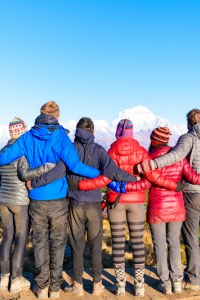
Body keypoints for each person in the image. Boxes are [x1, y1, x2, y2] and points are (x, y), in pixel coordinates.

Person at [0, 101, 100, 299]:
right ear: (57, 116)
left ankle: (41, 288)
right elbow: (75, 166)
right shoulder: (61, 138)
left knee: (40, 242)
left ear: (40, 115)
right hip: (58, 200)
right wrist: (98, 174)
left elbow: (4, 158)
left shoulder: (27, 138)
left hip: (36, 200)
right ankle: (55, 289)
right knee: (57, 243)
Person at [28, 117, 138, 296]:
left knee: (77, 245)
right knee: (95, 245)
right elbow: (113, 171)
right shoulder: (100, 151)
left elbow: (57, 172)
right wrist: (134, 178)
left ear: (77, 131)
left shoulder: (70, 149)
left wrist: (36, 182)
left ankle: (77, 285)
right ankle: (97, 285)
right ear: (93, 132)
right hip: (94, 204)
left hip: (75, 203)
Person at [78, 119, 184, 297]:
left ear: (118, 132)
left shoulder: (111, 152)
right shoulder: (141, 151)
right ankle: (139, 285)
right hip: (136, 203)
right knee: (137, 243)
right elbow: (150, 178)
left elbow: (105, 178)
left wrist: (82, 186)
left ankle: (120, 286)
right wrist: (173, 186)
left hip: (116, 202)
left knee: (118, 243)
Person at [136, 109, 200, 291]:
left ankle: (192, 280)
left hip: (191, 194)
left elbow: (175, 157)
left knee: (190, 237)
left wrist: (152, 164)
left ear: (188, 122)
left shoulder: (187, 138)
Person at [0, 117, 56, 294]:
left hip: (3, 200)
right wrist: (45, 168)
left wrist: (2, 194)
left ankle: (3, 278)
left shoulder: (2, 151)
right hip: (20, 201)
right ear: (22, 132)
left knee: (7, 238)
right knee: (20, 240)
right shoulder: (22, 150)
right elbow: (24, 175)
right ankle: (16, 280)